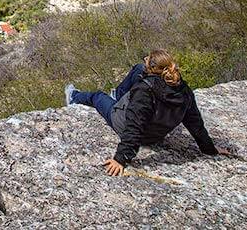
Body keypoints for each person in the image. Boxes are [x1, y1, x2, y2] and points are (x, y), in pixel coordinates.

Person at [65, 49, 229, 176]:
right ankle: (117, 95)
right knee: (137, 69)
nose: (145, 61)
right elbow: (195, 123)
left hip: (125, 123)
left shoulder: (145, 90)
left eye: (148, 61)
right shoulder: (183, 90)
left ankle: (73, 97)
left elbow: (135, 125)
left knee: (98, 96)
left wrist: (121, 159)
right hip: (156, 135)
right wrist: (209, 149)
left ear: (152, 69)